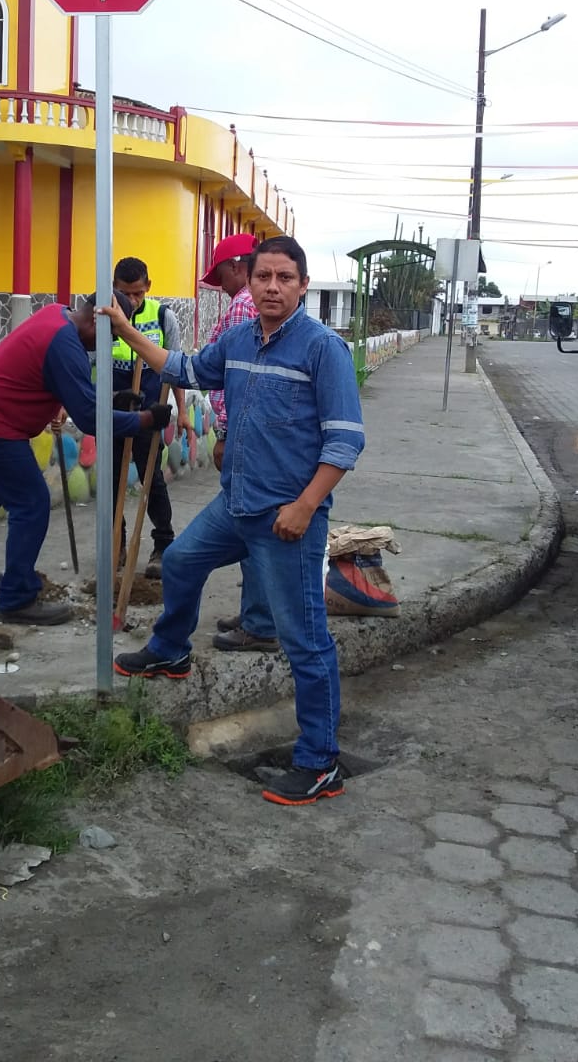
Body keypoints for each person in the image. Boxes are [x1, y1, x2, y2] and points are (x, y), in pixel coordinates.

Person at [102, 237, 365, 806]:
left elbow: (345, 441)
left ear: (302, 285)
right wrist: (125, 329)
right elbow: (184, 369)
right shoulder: (239, 339)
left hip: (286, 519)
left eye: (285, 278)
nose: (272, 287)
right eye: (263, 276)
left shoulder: (324, 350)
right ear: (250, 280)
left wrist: (305, 506)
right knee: (179, 560)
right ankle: (171, 649)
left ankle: (320, 762)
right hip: (236, 503)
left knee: (304, 641)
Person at [0, 293, 172, 626]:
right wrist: (145, 420)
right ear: (97, 320)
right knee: (31, 502)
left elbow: (74, 391)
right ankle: (16, 598)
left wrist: (112, 399)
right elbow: (90, 418)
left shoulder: (57, 316)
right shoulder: (65, 345)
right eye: (111, 335)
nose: (109, 345)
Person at [198, 233, 278, 652]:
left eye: (222, 276)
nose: (222, 286)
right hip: (254, 437)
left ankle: (261, 622)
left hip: (243, 438)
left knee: (251, 527)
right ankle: (255, 612)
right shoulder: (250, 305)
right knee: (253, 528)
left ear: (235, 267)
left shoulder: (244, 305)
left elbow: (239, 380)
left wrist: (225, 434)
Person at [111, 257, 189, 579]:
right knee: (112, 481)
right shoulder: (104, 314)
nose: (132, 301)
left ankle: (163, 544)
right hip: (113, 412)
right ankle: (116, 544)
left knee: (151, 479)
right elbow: (85, 363)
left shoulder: (162, 316)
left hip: (150, 413)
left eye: (138, 293)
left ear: (148, 287)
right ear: (113, 288)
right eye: (125, 293)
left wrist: (182, 411)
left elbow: (177, 367)